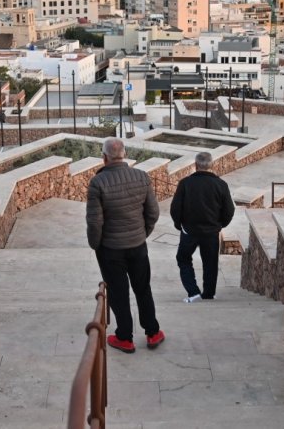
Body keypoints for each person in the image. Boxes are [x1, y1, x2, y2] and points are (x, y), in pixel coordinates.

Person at [86, 137, 165, 353]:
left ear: (104, 157)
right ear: (125, 154)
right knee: (143, 288)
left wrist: (96, 245)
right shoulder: (141, 176)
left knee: (119, 293)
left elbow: (94, 222)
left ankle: (125, 337)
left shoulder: (97, 183)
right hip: (138, 246)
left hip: (111, 249)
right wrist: (142, 234)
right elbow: (153, 212)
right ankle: (153, 333)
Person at [170, 152, 235, 303]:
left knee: (183, 259)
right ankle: (209, 294)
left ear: (195, 165)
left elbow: (175, 208)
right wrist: (220, 225)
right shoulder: (221, 185)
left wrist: (179, 225)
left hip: (189, 231)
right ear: (212, 165)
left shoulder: (185, 183)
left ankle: (193, 293)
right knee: (210, 263)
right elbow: (229, 210)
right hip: (211, 231)